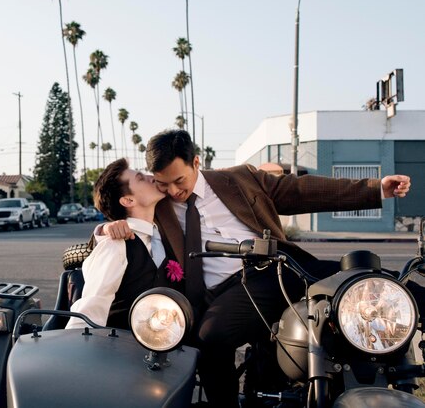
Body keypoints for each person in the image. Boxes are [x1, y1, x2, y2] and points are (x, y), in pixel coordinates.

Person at [102, 129, 413, 407]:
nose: (172, 191)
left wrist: (375, 189)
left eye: (179, 181)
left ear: (196, 163)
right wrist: (106, 229)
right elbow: (126, 214)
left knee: (375, 283)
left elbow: (301, 190)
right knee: (210, 336)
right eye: (162, 183)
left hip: (282, 267)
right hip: (229, 290)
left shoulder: (239, 179)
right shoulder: (159, 206)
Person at [65, 157, 182, 330]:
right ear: (128, 200)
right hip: (121, 348)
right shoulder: (116, 245)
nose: (152, 178)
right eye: (141, 179)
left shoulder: (164, 237)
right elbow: (92, 307)